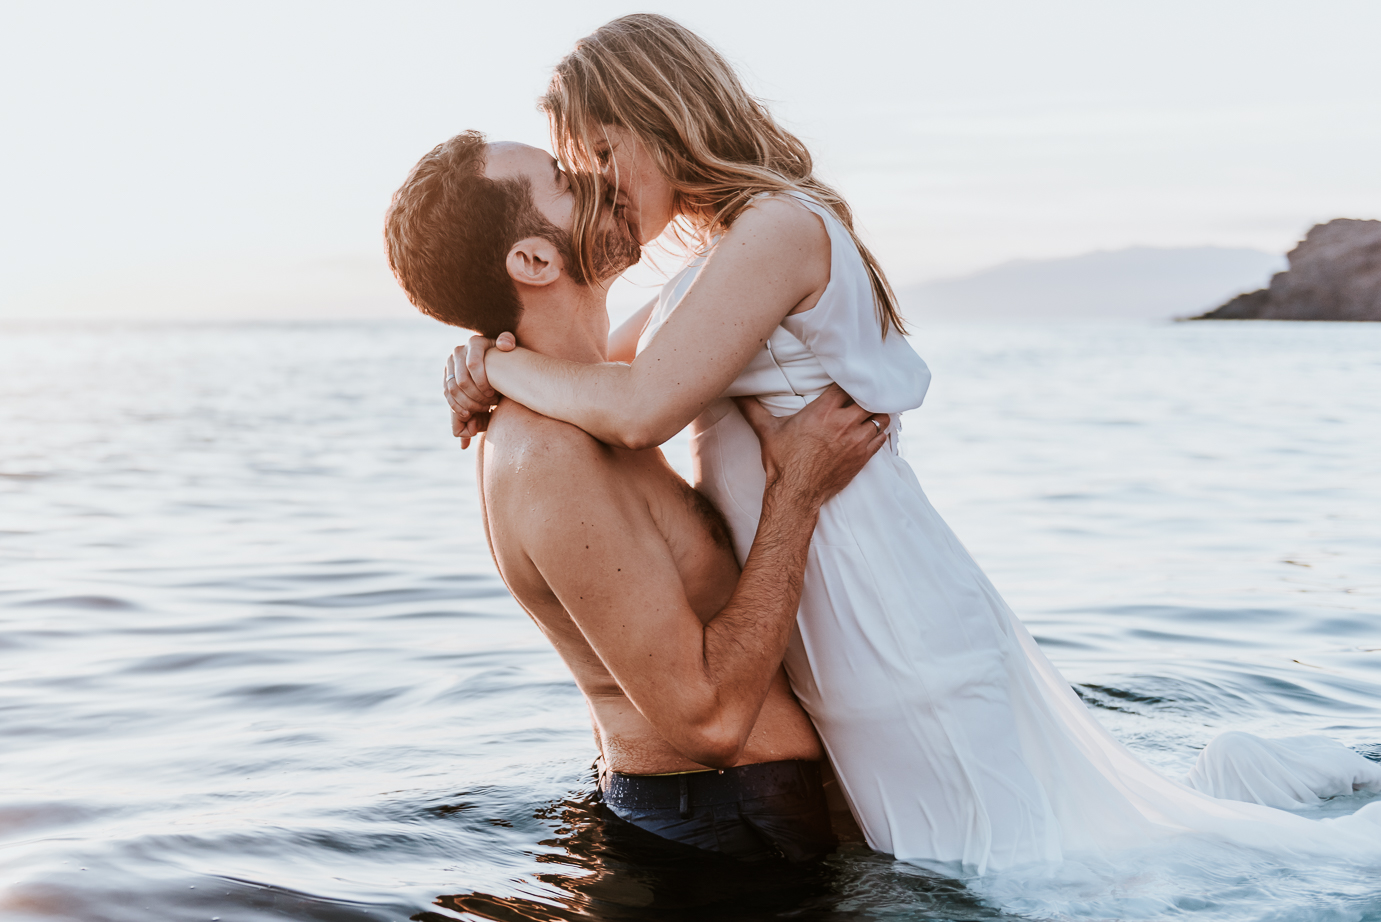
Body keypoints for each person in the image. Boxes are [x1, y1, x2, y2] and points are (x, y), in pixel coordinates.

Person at [442, 14, 1381, 878]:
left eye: (601, 152)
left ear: (660, 115)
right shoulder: (719, 263)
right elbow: (595, 372)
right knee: (962, 853)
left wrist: (501, 368)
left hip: (880, 602)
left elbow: (638, 403)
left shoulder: (777, 228)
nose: (600, 182)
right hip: (833, 605)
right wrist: (489, 359)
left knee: (1019, 869)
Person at [384, 132, 892, 863]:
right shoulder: (550, 454)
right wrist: (796, 492)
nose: (598, 178)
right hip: (721, 842)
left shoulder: (590, 402)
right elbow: (707, 723)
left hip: (727, 822)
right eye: (563, 177)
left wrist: (492, 364)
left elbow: (720, 311)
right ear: (533, 260)